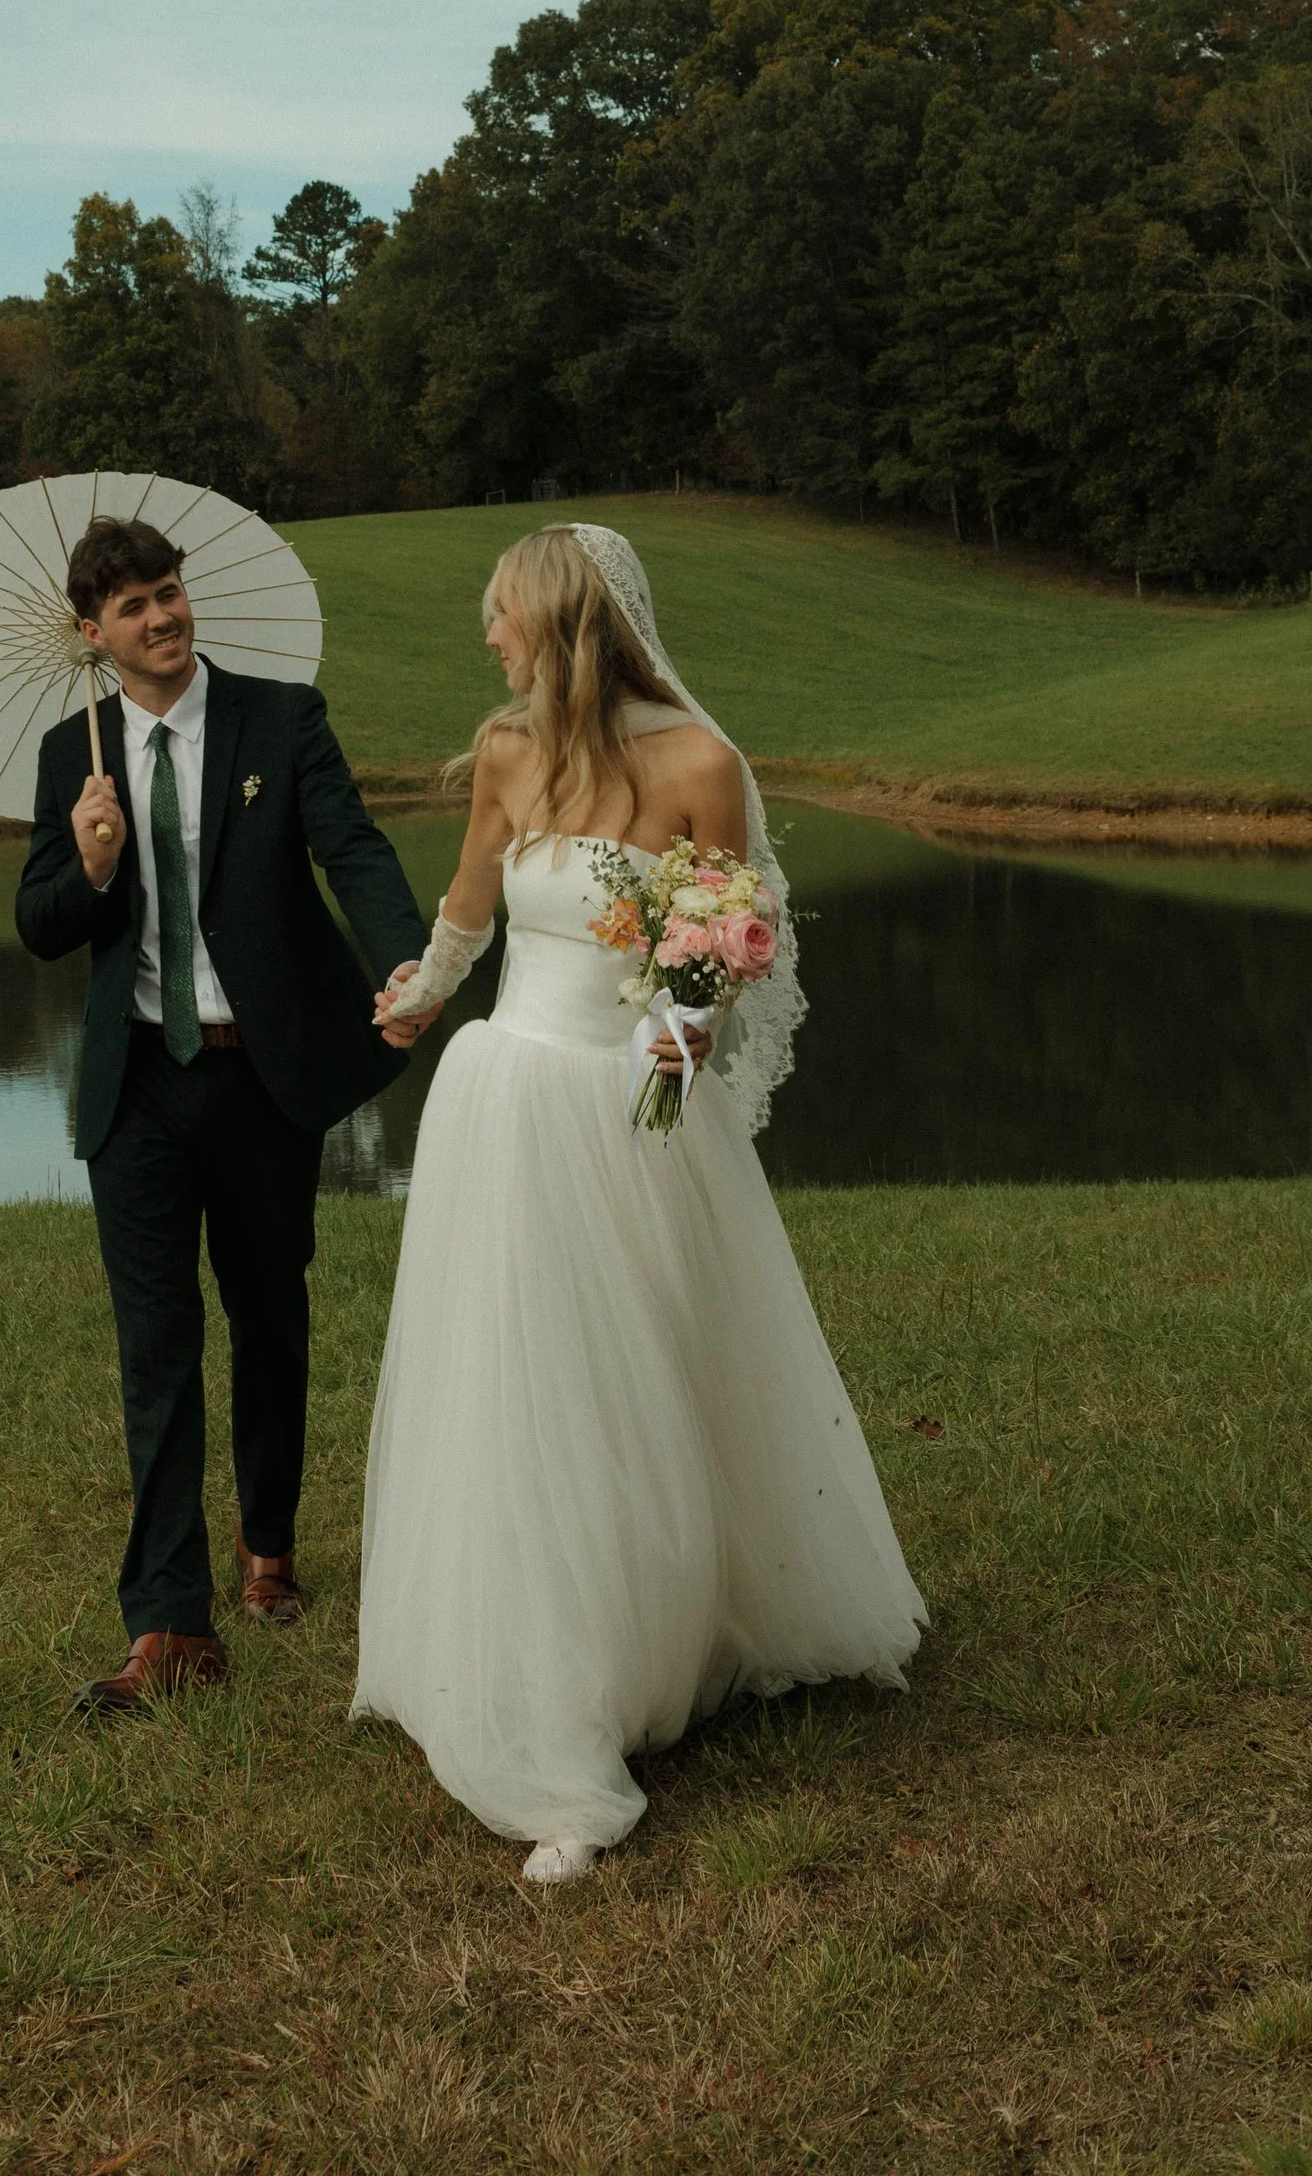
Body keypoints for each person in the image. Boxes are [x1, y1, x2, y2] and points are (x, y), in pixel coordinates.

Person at [352, 522, 925, 1882]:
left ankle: (656, 1633)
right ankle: (545, 1668)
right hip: (501, 1102)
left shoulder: (699, 765)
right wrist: (423, 993)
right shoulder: (505, 753)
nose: (485, 638)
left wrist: (669, 1053)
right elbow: (473, 909)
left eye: (499, 616)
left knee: (644, 1377)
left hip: (629, 1109)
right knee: (517, 1383)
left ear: (562, 622)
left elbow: (714, 942)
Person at [16, 511, 426, 1716]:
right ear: (93, 635)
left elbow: (353, 850)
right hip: (135, 1084)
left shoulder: (280, 717)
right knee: (155, 1348)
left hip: (262, 1075)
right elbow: (38, 923)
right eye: (133, 606)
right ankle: (168, 1623)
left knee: (266, 1316)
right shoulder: (68, 756)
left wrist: (404, 967)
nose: (162, 617)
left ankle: (270, 1543)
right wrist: (90, 861)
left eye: (170, 592)